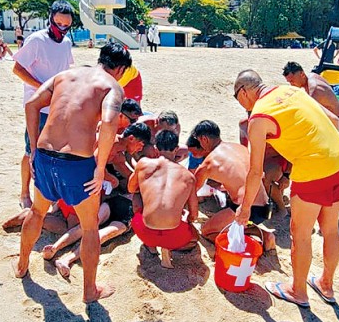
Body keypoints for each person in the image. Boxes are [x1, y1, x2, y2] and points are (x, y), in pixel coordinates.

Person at [15, 41, 133, 303]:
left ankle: (22, 264)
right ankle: (90, 291)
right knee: (90, 228)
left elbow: (32, 104)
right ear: (121, 69)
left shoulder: (64, 75)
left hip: (45, 157)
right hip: (77, 164)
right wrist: (100, 167)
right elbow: (110, 122)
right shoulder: (111, 86)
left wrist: (34, 149)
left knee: (37, 211)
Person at [233, 70, 339, 307]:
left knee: (300, 234)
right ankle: (326, 285)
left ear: (244, 92)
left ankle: (298, 290)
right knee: (330, 228)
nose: (240, 104)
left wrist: (245, 209)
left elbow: (256, 171)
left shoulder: (258, 117)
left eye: (237, 97)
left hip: (312, 170)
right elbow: (334, 120)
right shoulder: (291, 91)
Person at [12, 1, 76, 210]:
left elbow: (66, 70)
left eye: (66, 25)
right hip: (37, 107)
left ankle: (51, 194)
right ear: (50, 19)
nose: (62, 29)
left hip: (58, 106)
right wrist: (43, 89)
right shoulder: (36, 40)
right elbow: (18, 69)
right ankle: (24, 193)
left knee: (54, 151)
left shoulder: (66, 42)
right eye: (58, 24)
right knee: (32, 150)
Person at [188, 120, 275, 251]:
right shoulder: (240, 147)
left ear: (203, 139)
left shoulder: (209, 162)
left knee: (206, 231)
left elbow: (192, 191)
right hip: (266, 205)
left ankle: (262, 235)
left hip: (246, 208)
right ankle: (256, 230)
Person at [128, 130, 198, 268]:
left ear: (155, 148)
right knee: (194, 239)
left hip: (144, 231)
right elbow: (194, 215)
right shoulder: (188, 177)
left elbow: (131, 188)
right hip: (175, 235)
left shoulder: (143, 164)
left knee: (136, 194)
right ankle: (167, 247)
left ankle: (151, 246)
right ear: (176, 149)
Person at [282, 61, 339, 130]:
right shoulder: (310, 76)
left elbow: (306, 113)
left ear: (302, 74)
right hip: (328, 120)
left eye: (292, 81)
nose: (291, 84)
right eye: (289, 82)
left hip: (336, 124)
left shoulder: (315, 89)